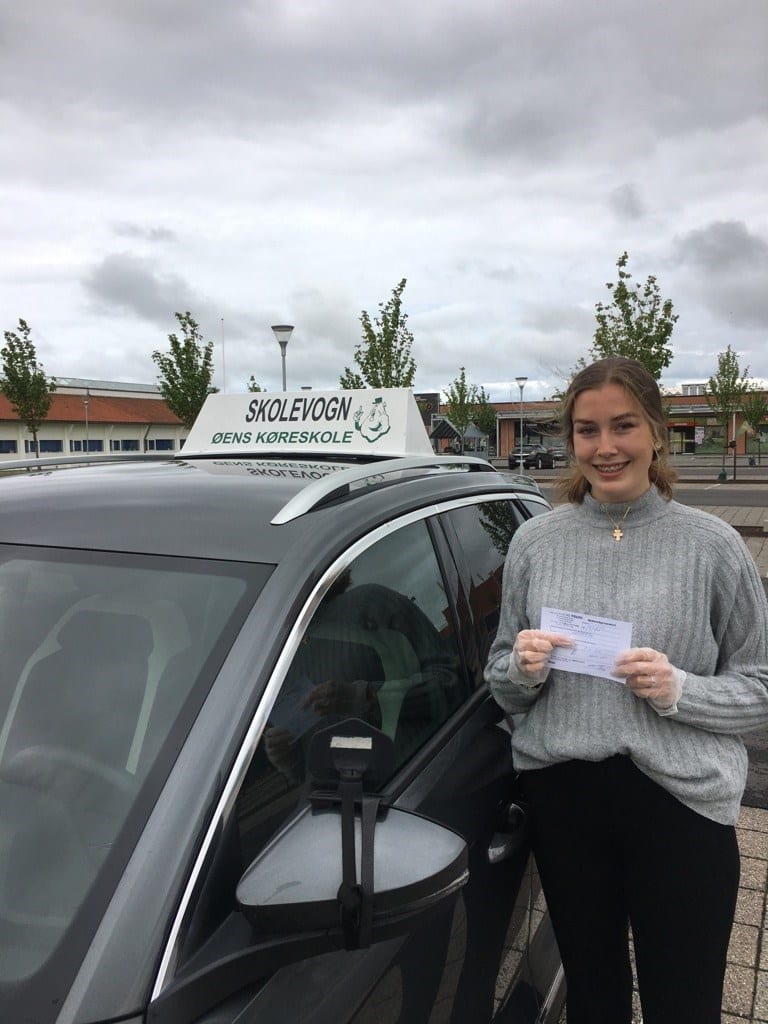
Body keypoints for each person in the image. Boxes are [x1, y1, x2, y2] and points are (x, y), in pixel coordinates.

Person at [485, 357, 768, 1024]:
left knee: (685, 1003)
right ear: (571, 439)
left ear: (657, 433)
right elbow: (502, 684)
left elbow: (760, 686)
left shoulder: (714, 545)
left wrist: (680, 691)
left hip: (682, 805)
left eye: (623, 426)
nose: (605, 447)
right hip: (565, 803)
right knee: (593, 998)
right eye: (588, 430)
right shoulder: (534, 542)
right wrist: (522, 670)